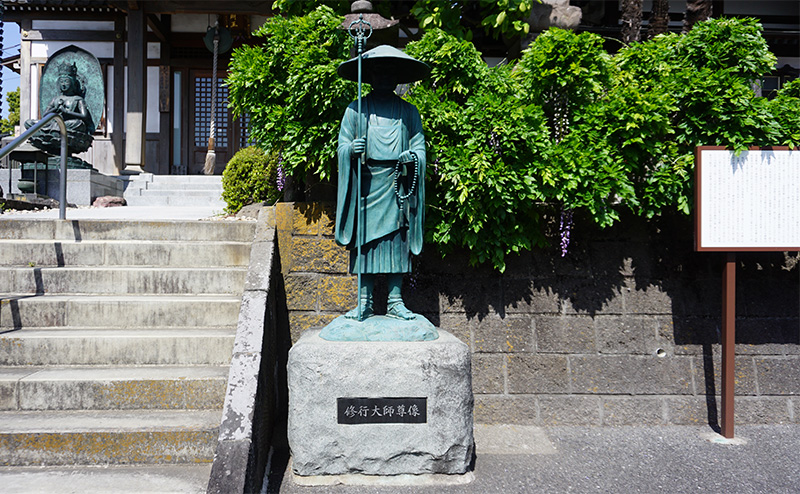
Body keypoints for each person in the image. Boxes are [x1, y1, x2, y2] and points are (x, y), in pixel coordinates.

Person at [335, 46, 430, 321]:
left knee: (396, 242)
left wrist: (412, 157)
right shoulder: (356, 110)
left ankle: (395, 301)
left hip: (396, 186)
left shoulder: (408, 112)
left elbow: (420, 147)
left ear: (398, 79)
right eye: (379, 73)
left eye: (391, 75)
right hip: (365, 186)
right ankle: (363, 301)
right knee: (365, 243)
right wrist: (350, 150)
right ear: (371, 77)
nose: (385, 79)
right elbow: (341, 145)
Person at [25, 63, 92, 134]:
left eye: (66, 81)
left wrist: (66, 112)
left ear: (73, 84)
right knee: (29, 123)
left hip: (69, 123)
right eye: (61, 82)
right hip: (54, 123)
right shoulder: (55, 99)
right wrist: (55, 109)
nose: (63, 84)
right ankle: (55, 130)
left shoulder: (78, 99)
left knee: (79, 124)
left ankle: (53, 131)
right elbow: (45, 115)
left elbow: (84, 116)